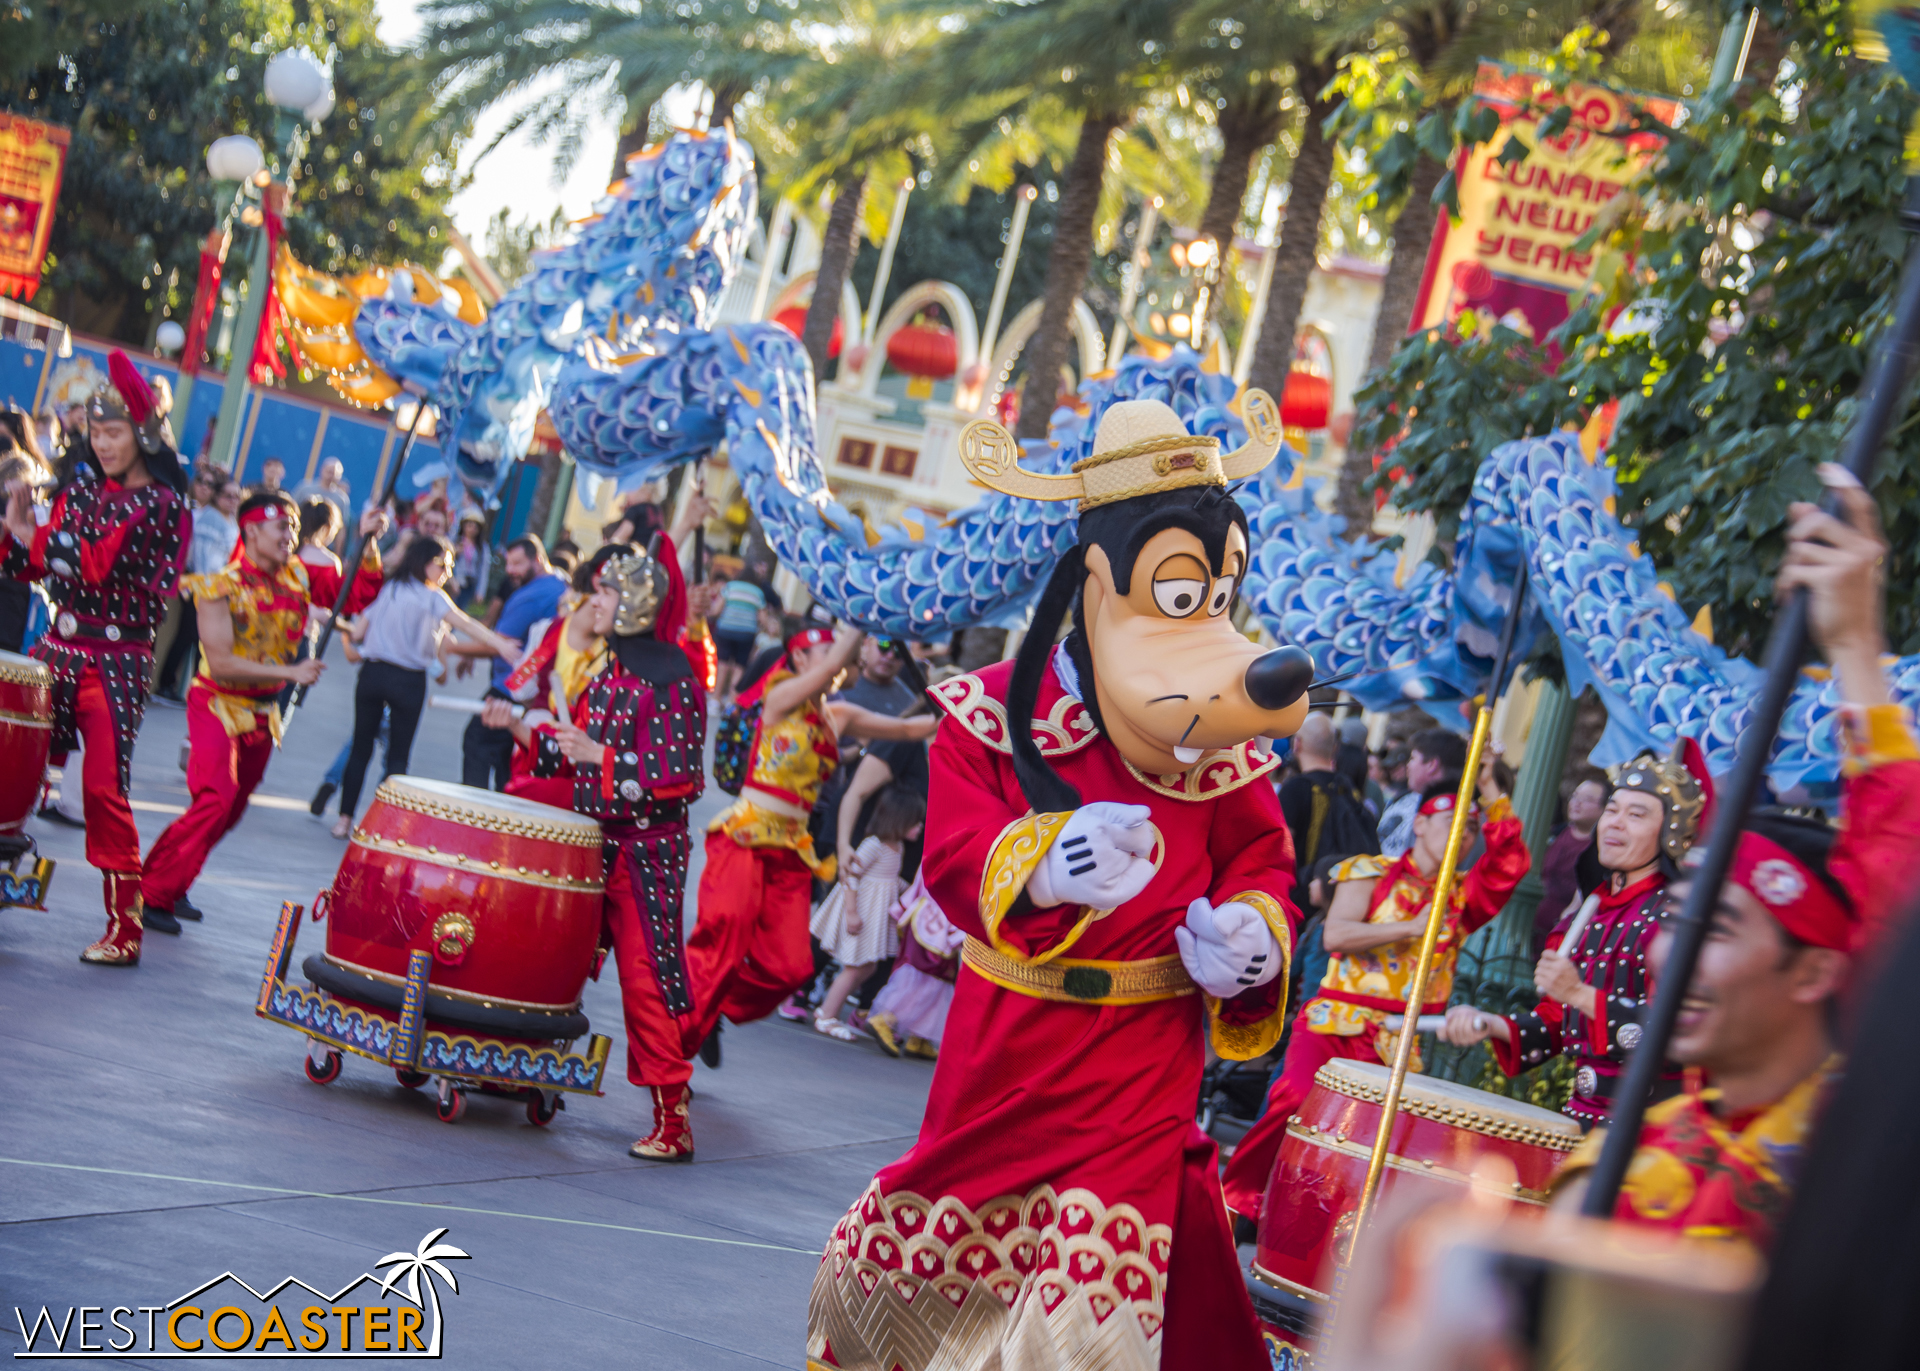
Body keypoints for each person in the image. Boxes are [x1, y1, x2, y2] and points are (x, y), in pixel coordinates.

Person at [809, 397, 1312, 1370]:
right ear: (1098, 579)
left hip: (1145, 1067)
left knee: (1094, 1301)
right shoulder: (990, 716)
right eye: (1176, 589)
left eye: (1220, 591)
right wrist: (1042, 867)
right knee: (944, 1281)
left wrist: (1256, 932)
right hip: (1008, 1056)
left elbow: (1264, 863)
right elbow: (954, 861)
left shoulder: (1223, 751)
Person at [1551, 469, 1920, 1248]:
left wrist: (1855, 643)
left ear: (1818, 970)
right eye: (1677, 920)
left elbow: (1892, 872)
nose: (1670, 951)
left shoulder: (1863, 1177)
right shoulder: (1626, 1169)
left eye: (1714, 928)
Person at [1220, 754, 1526, 1226]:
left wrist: (1491, 789)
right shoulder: (1369, 871)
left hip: (1400, 1036)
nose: (1461, 833)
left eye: (1469, 827)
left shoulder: (1464, 896)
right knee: (1294, 1099)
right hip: (1336, 1021)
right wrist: (1409, 927)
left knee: (1369, 1141)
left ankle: (1316, 1226)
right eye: (1450, 821)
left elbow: (1508, 864)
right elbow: (1335, 934)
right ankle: (1241, 1201)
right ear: (1421, 824)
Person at [482, 538, 711, 1160]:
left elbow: (680, 778)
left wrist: (602, 757)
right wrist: (524, 726)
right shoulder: (610, 671)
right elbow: (572, 747)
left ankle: (673, 1118)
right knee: (554, 958)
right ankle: (513, 1062)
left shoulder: (673, 680)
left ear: (637, 600)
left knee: (645, 978)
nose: (595, 601)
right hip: (593, 843)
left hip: (644, 855)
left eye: (607, 591)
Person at [0, 351, 191, 966]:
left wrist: (39, 535)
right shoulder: (80, 483)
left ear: (144, 434)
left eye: (113, 433)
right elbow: (32, 562)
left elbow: (93, 560)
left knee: (105, 791)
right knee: (8, 762)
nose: (101, 443)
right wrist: (17, 523)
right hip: (56, 646)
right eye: (96, 432)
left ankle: (125, 928)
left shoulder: (163, 506)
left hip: (115, 663)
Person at [682, 625, 939, 1067]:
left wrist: (954, 699)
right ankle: (681, 1028)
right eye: (825, 651)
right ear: (801, 659)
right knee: (725, 930)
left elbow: (911, 729)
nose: (841, 658)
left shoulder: (838, 715)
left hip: (791, 847)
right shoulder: (779, 699)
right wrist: (861, 615)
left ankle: (710, 1010)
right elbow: (831, 669)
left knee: (789, 967)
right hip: (745, 835)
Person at [137, 491, 379, 933]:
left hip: (263, 714)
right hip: (217, 704)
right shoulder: (217, 587)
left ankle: (176, 882)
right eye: (282, 527)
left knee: (230, 810)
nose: (291, 535)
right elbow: (224, 663)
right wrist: (293, 670)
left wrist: (369, 540)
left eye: (291, 526)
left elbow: (356, 596)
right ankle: (150, 891)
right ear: (251, 531)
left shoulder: (301, 577)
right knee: (215, 798)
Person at [1440, 746, 1707, 1126]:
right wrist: (1488, 1023)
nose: (1615, 823)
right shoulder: (1587, 914)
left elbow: (1677, 1030)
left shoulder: (1675, 919)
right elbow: (1557, 1021)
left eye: (1636, 815)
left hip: (1650, 1134)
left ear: (1669, 833)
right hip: (1580, 1120)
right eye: (1612, 810)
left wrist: (1578, 994)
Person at [331, 535, 517, 838]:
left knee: (361, 748)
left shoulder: (391, 588)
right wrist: (501, 644)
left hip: (373, 674)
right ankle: (383, 824)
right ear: (423, 562)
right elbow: (466, 623)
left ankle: (343, 819)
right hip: (408, 681)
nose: (446, 572)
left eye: (450, 566)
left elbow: (358, 631)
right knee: (398, 756)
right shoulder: (433, 597)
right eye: (442, 564)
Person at [451, 535, 567, 792]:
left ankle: (472, 812)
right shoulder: (559, 583)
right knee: (509, 762)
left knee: (477, 741)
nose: (510, 570)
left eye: (517, 563)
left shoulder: (531, 596)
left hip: (514, 690)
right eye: (508, 564)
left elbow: (501, 645)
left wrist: (451, 647)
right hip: (533, 694)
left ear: (537, 560)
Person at [808, 785, 923, 1041]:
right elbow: (849, 874)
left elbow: (889, 880)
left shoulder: (897, 847)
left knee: (868, 967)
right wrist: (850, 911)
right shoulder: (874, 845)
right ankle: (827, 1015)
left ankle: (828, 1011)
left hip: (875, 914)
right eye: (916, 822)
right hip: (862, 912)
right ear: (899, 820)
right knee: (854, 967)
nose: (920, 827)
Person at [1277, 711, 1380, 905]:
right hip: (1343, 897)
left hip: (1300, 898)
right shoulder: (1350, 789)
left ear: (1297, 744)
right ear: (1335, 748)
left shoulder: (1294, 789)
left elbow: (1281, 849)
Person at [1535, 775, 1607, 953]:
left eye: (1587, 799)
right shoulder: (1554, 833)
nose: (1577, 802)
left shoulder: (1600, 850)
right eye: (1575, 796)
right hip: (1531, 926)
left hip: (1560, 934)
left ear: (1605, 808)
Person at [1374, 726, 1469, 859]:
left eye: (1413, 758)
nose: (1408, 765)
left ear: (1432, 765)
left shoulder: (1452, 814)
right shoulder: (1400, 798)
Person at [710, 567, 763, 701]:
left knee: (722, 664)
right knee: (739, 667)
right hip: (746, 633)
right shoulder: (758, 593)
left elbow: (716, 610)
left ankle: (715, 699)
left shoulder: (729, 587)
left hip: (725, 630)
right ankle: (732, 701)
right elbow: (762, 618)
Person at [293, 457, 351, 537]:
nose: (330, 475)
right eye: (329, 471)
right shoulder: (304, 489)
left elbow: (342, 527)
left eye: (334, 473)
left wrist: (338, 549)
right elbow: (292, 509)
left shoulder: (341, 499)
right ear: (322, 470)